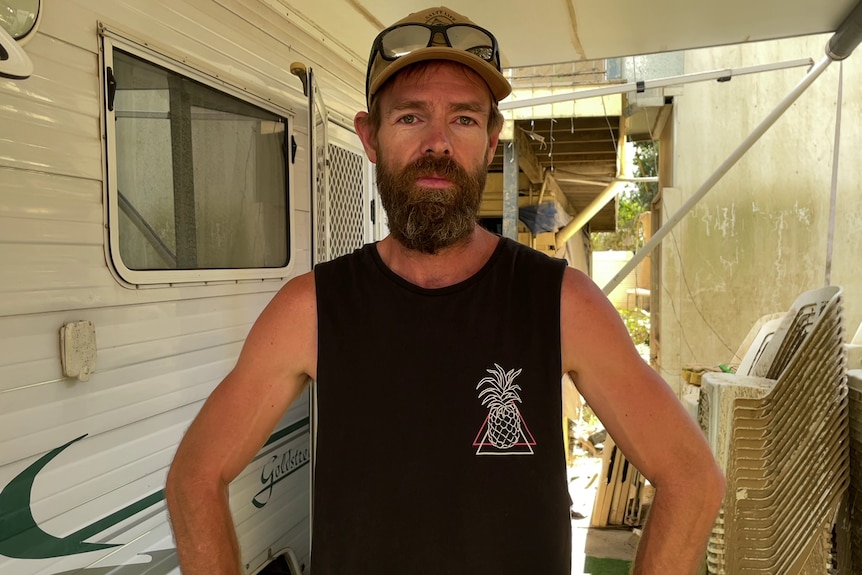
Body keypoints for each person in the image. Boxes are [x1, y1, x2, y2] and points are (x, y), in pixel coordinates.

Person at [165, 6, 725, 575]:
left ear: (490, 140)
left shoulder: (561, 305)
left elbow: (692, 479)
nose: (438, 143)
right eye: (410, 118)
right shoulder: (311, 309)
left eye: (462, 119)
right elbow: (195, 475)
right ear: (369, 137)